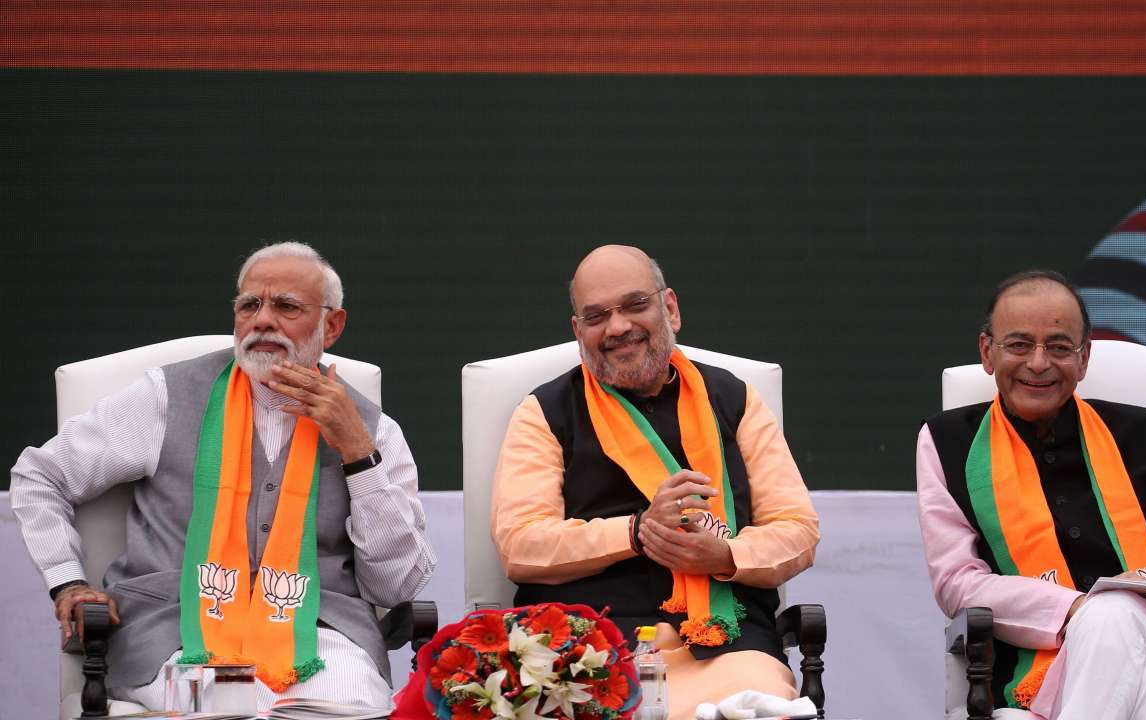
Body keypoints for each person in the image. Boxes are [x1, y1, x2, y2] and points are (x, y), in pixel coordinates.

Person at [11, 241, 435, 710]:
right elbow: (40, 476)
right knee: (234, 704)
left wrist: (357, 451)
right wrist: (67, 581)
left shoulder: (374, 430)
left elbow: (394, 587)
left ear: (331, 326)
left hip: (320, 633)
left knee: (349, 706)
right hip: (174, 630)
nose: (263, 320)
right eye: (249, 305)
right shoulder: (167, 398)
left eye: (286, 306)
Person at [916, 269, 1146, 720]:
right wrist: (1075, 609)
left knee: (1115, 614)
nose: (1038, 363)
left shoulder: (1143, 433)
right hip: (1048, 667)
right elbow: (957, 583)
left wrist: (1142, 596)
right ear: (988, 352)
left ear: (1083, 360)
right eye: (1020, 344)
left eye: (1059, 347)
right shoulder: (949, 442)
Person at [489, 245, 821, 720]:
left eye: (635, 305)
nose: (618, 326)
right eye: (597, 316)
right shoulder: (544, 412)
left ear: (670, 308)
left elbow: (798, 531)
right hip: (589, 647)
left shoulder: (734, 400)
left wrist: (725, 555)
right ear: (578, 332)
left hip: (726, 649)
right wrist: (636, 532)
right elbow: (520, 545)